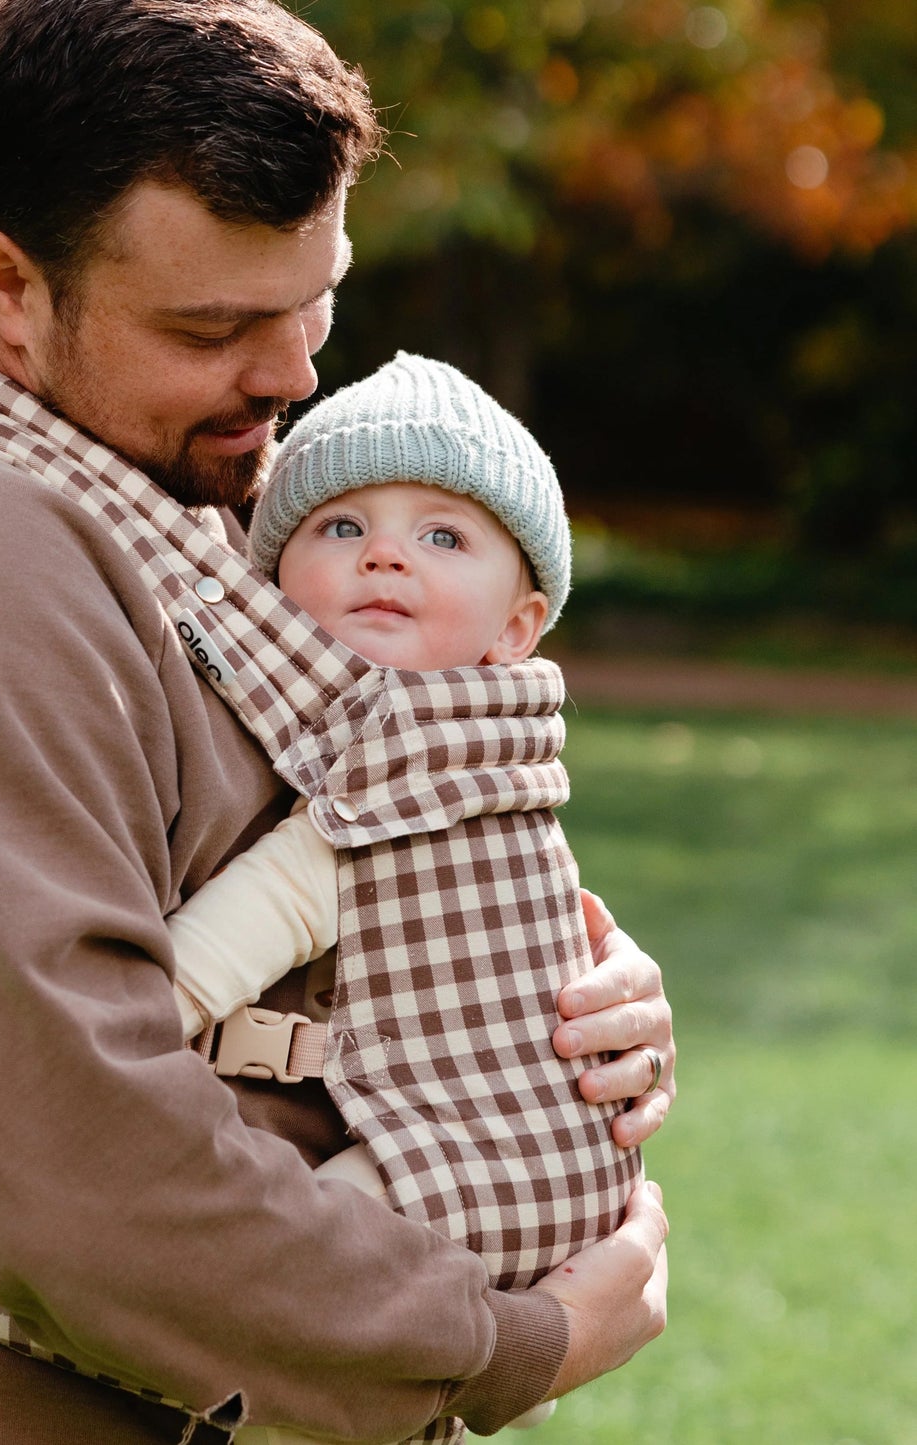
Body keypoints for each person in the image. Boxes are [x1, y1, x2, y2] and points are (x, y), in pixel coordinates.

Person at [0, 3, 672, 1443]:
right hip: (37, 1401)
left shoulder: (196, 496)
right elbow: (61, 1149)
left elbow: (351, 855)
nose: (291, 372)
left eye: (314, 299)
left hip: (255, 1388)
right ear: (9, 290)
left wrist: (557, 995)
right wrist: (497, 1340)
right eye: (213, 325)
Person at [165, 353, 646, 1442]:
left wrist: (114, 1015)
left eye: (442, 535)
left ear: (517, 629)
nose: (383, 550)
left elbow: (227, 942)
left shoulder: (401, 777)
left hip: (469, 1149)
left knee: (285, 1278)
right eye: (339, 526)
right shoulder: (492, 757)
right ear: (272, 581)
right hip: (552, 1168)